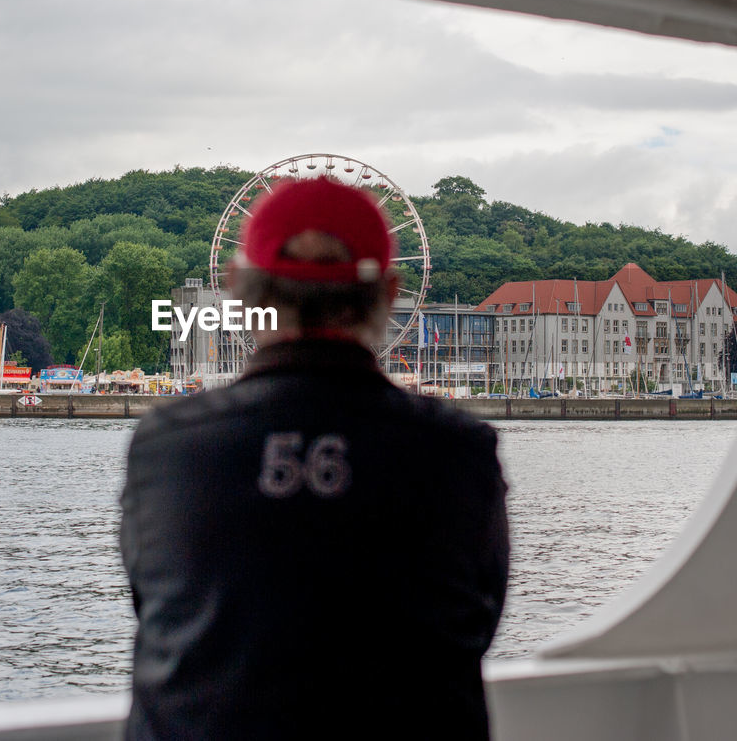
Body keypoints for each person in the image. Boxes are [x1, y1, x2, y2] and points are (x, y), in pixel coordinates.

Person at [120, 176, 509, 740]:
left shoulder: (168, 447)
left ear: (235, 287)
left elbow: (152, 602)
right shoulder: (457, 452)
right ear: (391, 291)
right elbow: (479, 617)